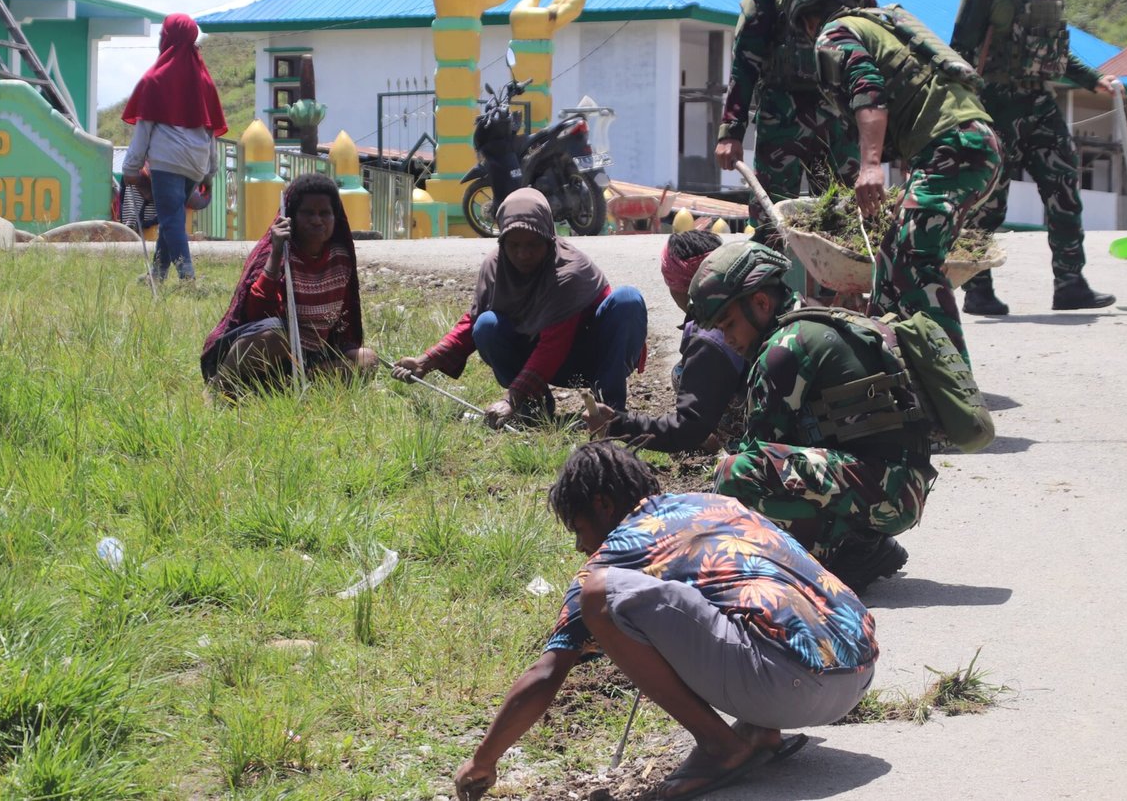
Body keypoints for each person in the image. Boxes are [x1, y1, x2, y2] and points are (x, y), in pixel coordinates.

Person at [453, 441, 876, 801]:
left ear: (603, 505)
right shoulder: (714, 503)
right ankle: (761, 732)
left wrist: (482, 760)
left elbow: (547, 672)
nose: (582, 545)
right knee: (742, 599)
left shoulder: (620, 549)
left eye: (578, 529)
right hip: (857, 676)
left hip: (792, 688)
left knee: (600, 595)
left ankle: (720, 746)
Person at [693, 241, 939, 593]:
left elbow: (753, 457)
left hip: (887, 489)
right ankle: (857, 541)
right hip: (898, 485)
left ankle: (842, 551)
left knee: (736, 474)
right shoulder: (813, 317)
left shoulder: (783, 349)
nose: (727, 338)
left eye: (729, 323)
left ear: (761, 303)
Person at [795, 0, 1001, 360]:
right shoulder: (880, 25)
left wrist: (871, 164)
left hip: (954, 145)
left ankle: (951, 386)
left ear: (805, 19)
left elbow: (868, 89)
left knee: (911, 263)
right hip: (969, 142)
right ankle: (898, 372)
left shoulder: (834, 34)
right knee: (890, 265)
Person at [950, 0, 1120, 315]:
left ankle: (1070, 283)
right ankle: (977, 288)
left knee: (1064, 191)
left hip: (1039, 105)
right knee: (988, 205)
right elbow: (957, 53)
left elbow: (1056, 54)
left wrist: (1093, 79)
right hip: (994, 108)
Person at [394, 189, 646, 428]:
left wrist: (509, 398)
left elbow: (554, 344)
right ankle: (533, 408)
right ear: (502, 242)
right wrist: (424, 362)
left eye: (533, 245)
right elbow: (471, 323)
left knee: (628, 299)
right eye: (514, 245)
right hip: (548, 361)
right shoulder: (495, 266)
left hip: (593, 356)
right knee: (486, 325)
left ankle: (609, 411)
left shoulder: (569, 271)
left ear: (549, 239)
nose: (523, 254)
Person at [714, 0, 871, 239]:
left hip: (838, 125)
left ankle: (837, 297)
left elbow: (873, 67)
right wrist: (731, 132)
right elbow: (745, 63)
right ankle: (770, 295)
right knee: (771, 225)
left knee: (843, 224)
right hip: (779, 119)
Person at [201, 173, 374, 390]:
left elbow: (343, 327)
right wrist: (275, 254)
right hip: (268, 350)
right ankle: (222, 386)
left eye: (325, 213)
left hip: (309, 357)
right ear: (291, 217)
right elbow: (256, 315)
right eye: (308, 213)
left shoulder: (341, 259)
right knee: (278, 334)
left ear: (335, 217)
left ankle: (294, 387)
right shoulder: (276, 253)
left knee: (367, 360)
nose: (317, 220)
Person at [587, 229, 745, 453]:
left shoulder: (709, 335)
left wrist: (618, 424)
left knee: (682, 374)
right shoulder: (745, 300)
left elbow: (685, 429)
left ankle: (738, 445)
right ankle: (713, 435)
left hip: (765, 435)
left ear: (677, 285)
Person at [121, 13, 227, 282]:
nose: (159, 40)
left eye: (162, 35)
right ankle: (157, 274)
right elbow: (210, 130)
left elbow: (143, 132)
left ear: (169, 38)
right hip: (196, 163)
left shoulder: (155, 79)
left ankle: (187, 276)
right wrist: (210, 171)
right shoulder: (204, 81)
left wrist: (130, 168)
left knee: (171, 221)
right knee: (173, 219)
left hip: (167, 162)